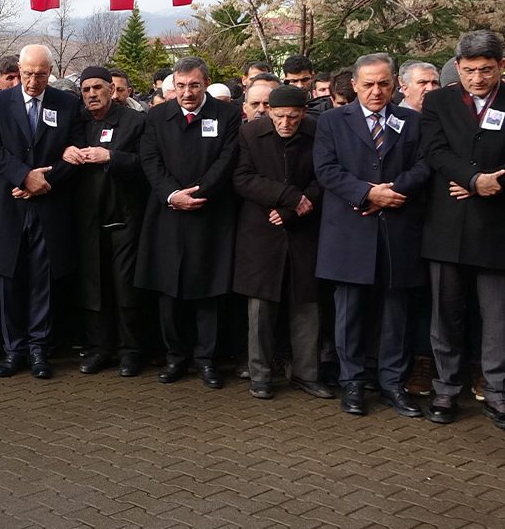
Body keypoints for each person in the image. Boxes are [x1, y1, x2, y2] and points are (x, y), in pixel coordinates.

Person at [314, 53, 429, 418]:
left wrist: (393, 191)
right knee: (349, 312)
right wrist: (367, 192)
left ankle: (393, 383)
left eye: (383, 83)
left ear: (394, 84)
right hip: (350, 229)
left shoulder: (411, 121)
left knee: (396, 311)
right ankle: (352, 383)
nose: (376, 91)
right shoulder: (332, 121)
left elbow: (425, 164)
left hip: (397, 228)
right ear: (355, 86)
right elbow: (326, 169)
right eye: (368, 84)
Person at [0, 44, 82, 380]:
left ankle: (38, 349)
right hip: (8, 204)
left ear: (52, 72)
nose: (34, 81)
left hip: (48, 205)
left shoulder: (67, 104)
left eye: (41, 74)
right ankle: (13, 350)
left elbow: (72, 153)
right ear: (18, 70)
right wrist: (23, 176)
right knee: (9, 279)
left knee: (41, 280)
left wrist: (43, 181)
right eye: (28, 73)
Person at [136, 56, 242, 389]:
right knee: (169, 291)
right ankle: (175, 357)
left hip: (209, 213)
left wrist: (199, 191)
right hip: (167, 215)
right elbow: (149, 161)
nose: (187, 93)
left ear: (205, 84)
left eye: (194, 85)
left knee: (207, 291)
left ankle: (206, 360)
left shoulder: (227, 115)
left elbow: (228, 160)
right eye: (180, 86)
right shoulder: (156, 117)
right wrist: (171, 195)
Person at [419, 30, 505, 429]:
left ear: (501, 66)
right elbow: (435, 151)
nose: (477, 79)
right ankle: (446, 389)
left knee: (497, 316)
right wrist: (474, 180)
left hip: (496, 225)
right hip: (448, 226)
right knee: (446, 315)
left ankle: (497, 391)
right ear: (458, 67)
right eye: (469, 71)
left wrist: (492, 185)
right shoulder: (438, 101)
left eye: (486, 70)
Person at [232, 85, 332, 400]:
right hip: (261, 229)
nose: (286, 123)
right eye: (279, 117)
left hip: (304, 228)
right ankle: (260, 374)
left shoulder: (317, 132)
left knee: (307, 304)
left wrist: (298, 207)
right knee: (260, 307)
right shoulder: (251, 133)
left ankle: (306, 372)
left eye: (293, 117)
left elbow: (324, 177)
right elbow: (243, 178)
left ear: (304, 113)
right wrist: (287, 197)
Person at [63, 66, 149, 377]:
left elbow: (147, 164)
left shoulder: (135, 122)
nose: (92, 94)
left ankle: (131, 351)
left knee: (125, 289)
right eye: (86, 90)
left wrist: (111, 156)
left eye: (98, 88)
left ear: (112, 90)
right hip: (88, 221)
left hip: (124, 219)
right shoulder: (77, 123)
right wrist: (67, 151)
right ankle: (100, 349)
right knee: (94, 288)